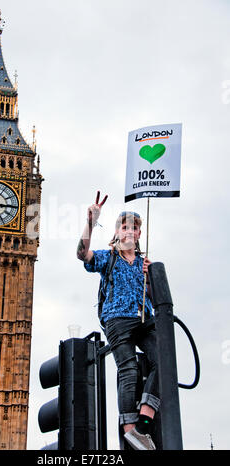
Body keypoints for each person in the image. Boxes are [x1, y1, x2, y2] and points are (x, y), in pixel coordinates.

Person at [76, 191, 160, 451]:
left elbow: (157, 300)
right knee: (129, 370)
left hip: (144, 318)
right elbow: (82, 254)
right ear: (117, 232)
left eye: (135, 227)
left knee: (163, 361)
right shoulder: (108, 257)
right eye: (125, 227)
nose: (130, 231)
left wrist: (151, 279)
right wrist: (90, 221)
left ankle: (144, 425)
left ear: (139, 234)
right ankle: (130, 430)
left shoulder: (144, 264)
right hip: (117, 319)